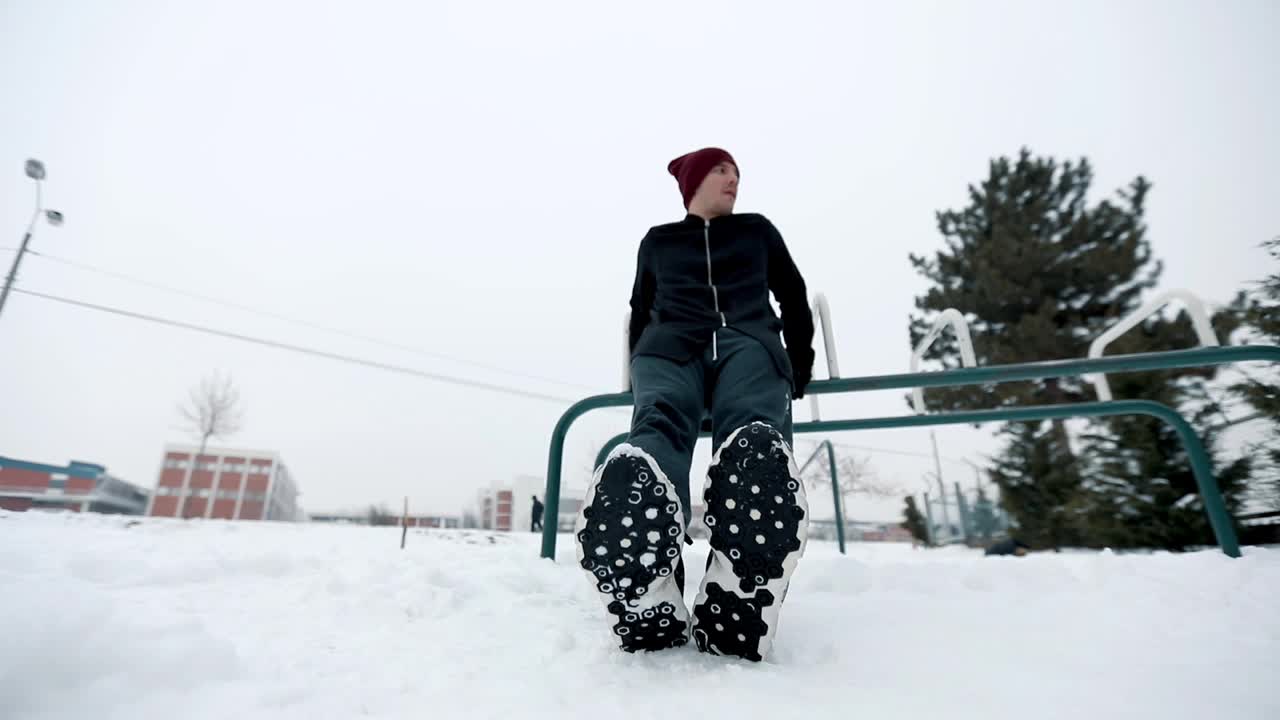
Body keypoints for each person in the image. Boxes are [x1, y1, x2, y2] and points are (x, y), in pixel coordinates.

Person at [574, 147, 814, 662]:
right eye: (722, 170)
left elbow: (792, 293)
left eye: (737, 173)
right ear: (694, 182)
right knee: (661, 419)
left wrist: (799, 361)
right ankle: (649, 570)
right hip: (671, 344)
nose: (734, 180)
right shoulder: (660, 241)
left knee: (749, 428)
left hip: (747, 337)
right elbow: (641, 305)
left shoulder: (756, 230)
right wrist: (643, 362)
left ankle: (740, 575)